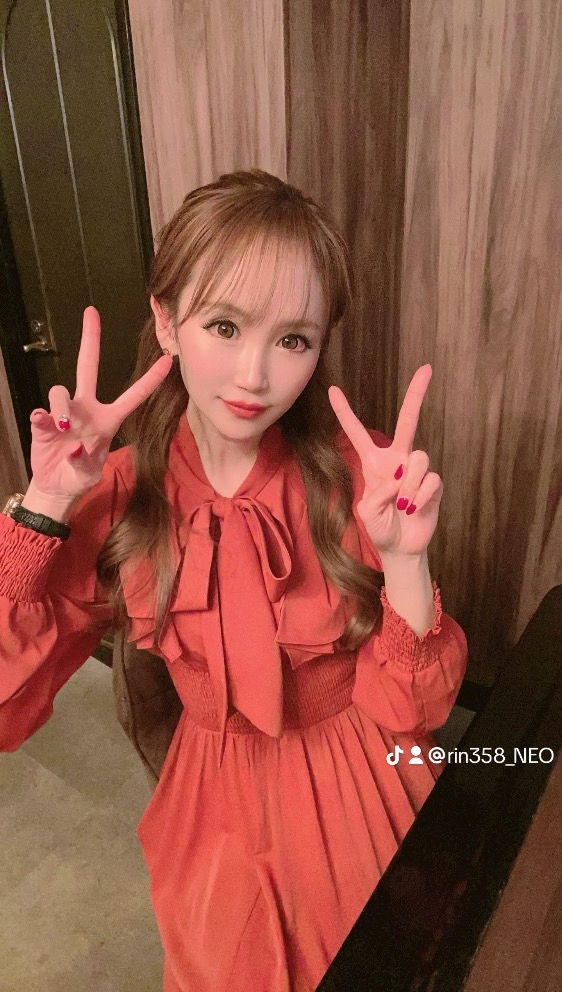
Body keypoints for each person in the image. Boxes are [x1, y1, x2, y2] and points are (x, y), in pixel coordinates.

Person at [0, 169, 467, 992]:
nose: (255, 376)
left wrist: (405, 559)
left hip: (359, 773)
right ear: (167, 321)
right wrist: (46, 504)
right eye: (224, 325)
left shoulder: (360, 480)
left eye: (294, 340)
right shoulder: (117, 491)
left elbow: (413, 711)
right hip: (211, 790)